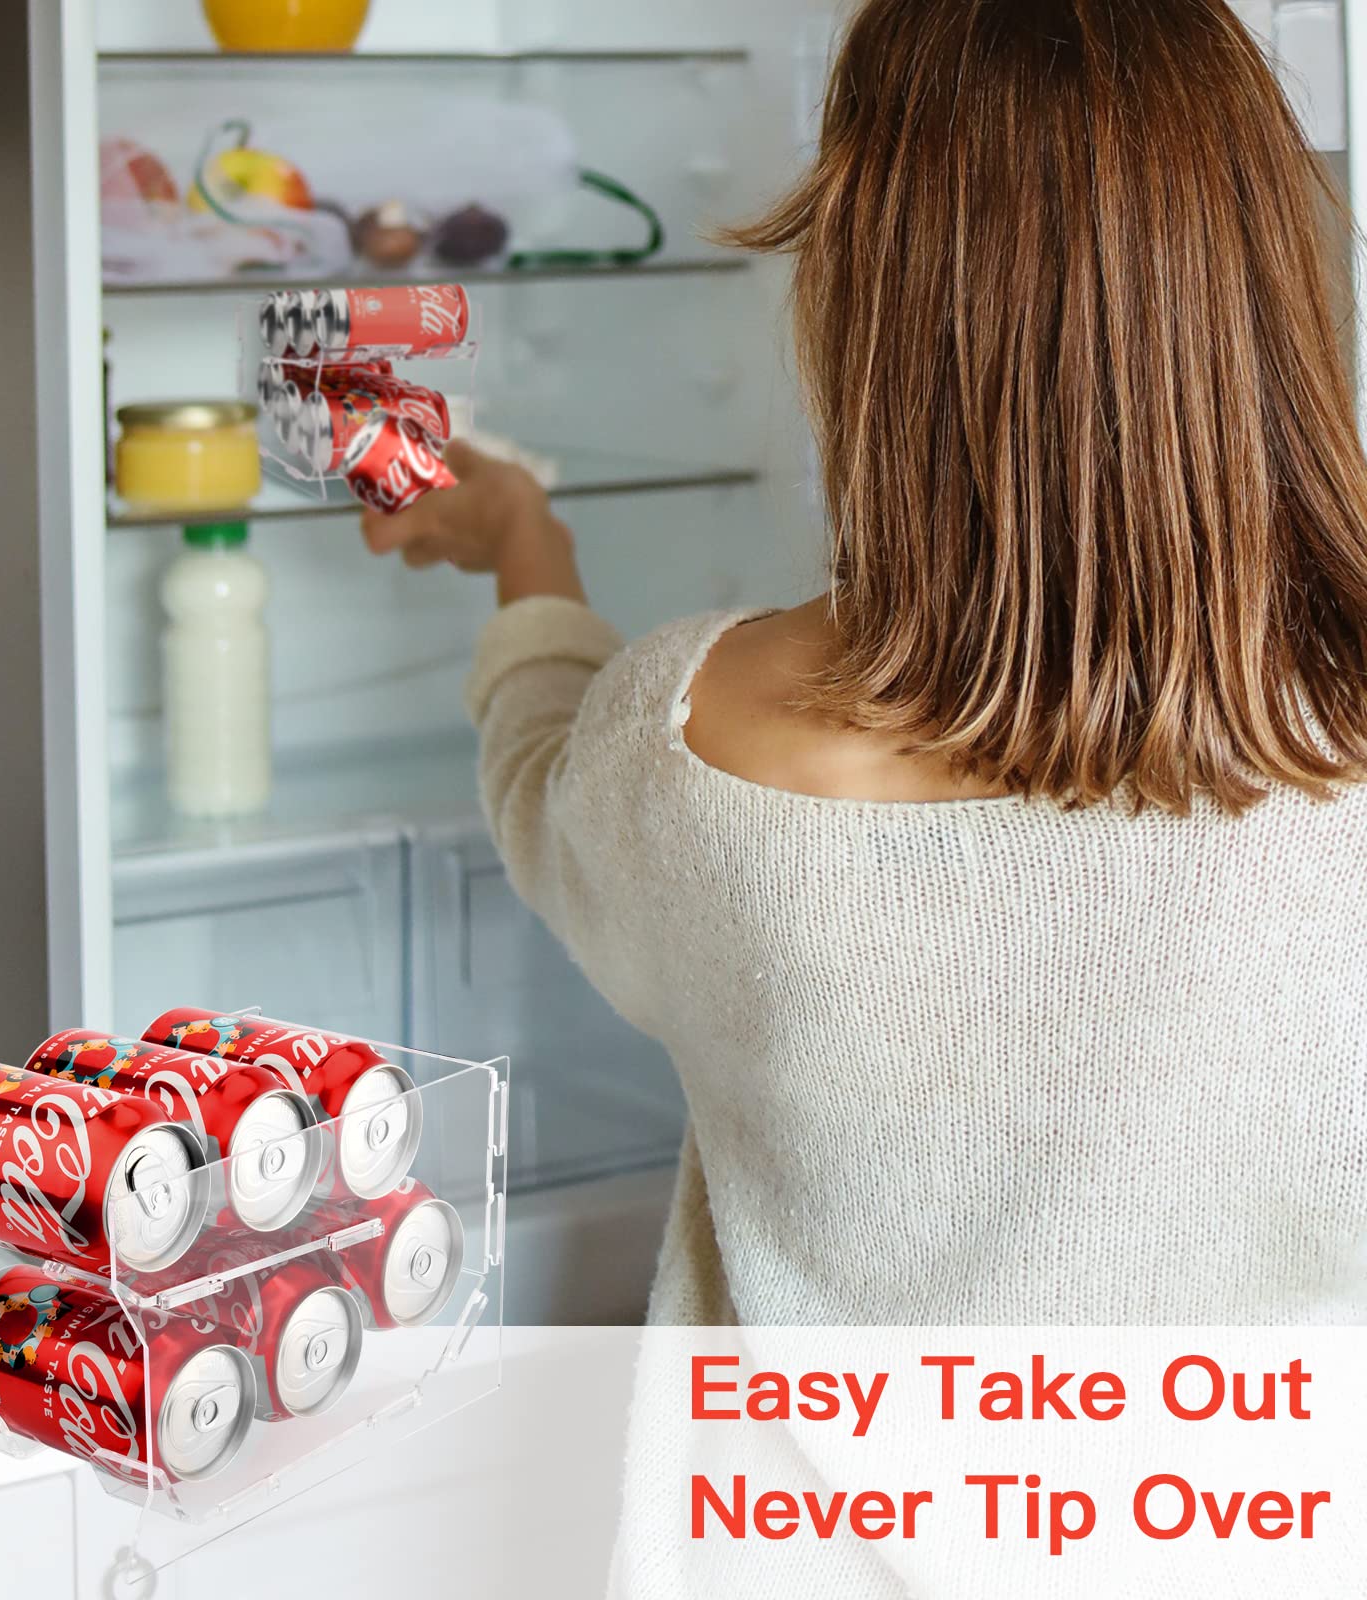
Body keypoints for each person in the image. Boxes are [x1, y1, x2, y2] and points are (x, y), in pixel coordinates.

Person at [363, 0, 1367, 1329]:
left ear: (869, 298)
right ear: (1262, 268)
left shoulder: (704, 744)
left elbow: (549, 789)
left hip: (797, 1538)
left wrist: (521, 542)